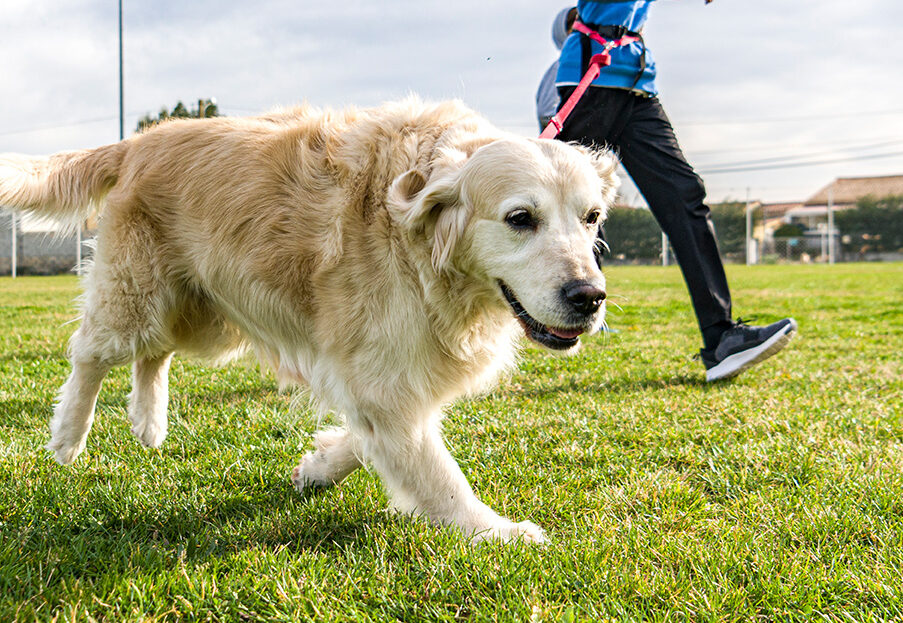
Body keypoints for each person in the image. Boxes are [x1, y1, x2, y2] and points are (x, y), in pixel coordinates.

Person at [541, 1, 797, 382]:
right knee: (557, 204)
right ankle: (531, 307)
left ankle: (721, 338)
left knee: (684, 195)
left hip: (638, 83)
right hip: (593, 76)